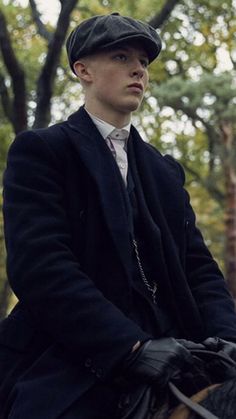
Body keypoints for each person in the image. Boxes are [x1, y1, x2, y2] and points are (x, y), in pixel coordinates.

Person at [1, 12, 236, 419]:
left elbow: (199, 269)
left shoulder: (163, 171)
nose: (138, 70)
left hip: (178, 348)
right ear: (83, 69)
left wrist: (228, 338)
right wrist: (130, 348)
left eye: (143, 62)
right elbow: (42, 267)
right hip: (78, 356)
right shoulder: (42, 152)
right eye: (122, 57)